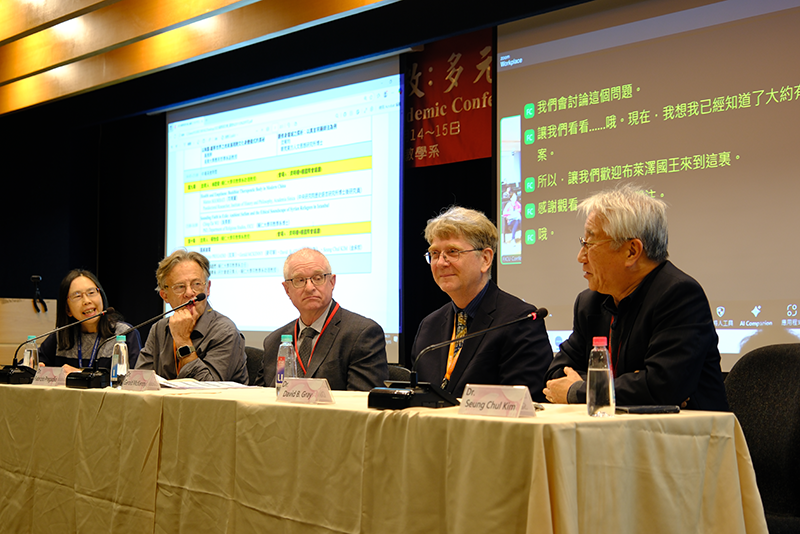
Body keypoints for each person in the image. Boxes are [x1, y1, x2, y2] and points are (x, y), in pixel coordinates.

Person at [543, 184, 729, 410]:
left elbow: (661, 387)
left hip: (686, 437)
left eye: (589, 243)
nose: (580, 256)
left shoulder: (679, 295)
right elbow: (556, 374)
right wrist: (630, 385)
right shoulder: (591, 302)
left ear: (631, 251)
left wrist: (580, 390)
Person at [411, 206, 552, 400]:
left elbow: (524, 405)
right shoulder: (429, 326)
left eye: (452, 252)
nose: (441, 263)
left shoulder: (520, 321)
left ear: (485, 259)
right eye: (434, 254)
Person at [257, 248, 389, 390]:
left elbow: (361, 404)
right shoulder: (274, 342)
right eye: (299, 280)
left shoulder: (362, 334)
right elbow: (258, 402)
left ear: (332, 282)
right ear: (287, 289)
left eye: (318, 278)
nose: (309, 287)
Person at [135, 250, 248, 383]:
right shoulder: (159, 329)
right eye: (180, 287)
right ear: (164, 295)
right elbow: (138, 383)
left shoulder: (225, 331)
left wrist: (183, 341)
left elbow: (207, 391)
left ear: (208, 288)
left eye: (197, 284)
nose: (189, 293)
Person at [39, 269, 141, 373]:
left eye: (91, 292)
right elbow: (29, 366)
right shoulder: (61, 335)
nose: (87, 301)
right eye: (77, 296)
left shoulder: (125, 334)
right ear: (67, 309)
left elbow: (134, 380)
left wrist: (80, 375)